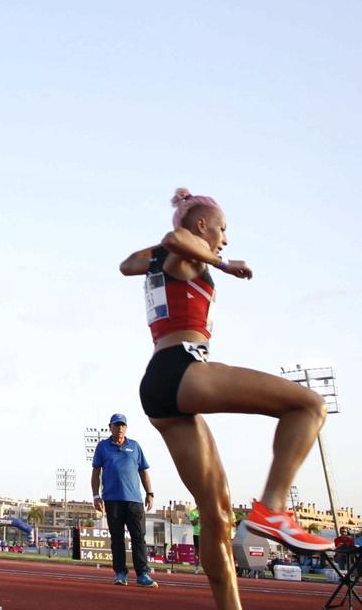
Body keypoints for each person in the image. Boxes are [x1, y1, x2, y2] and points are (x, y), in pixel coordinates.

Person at [120, 188, 331, 610]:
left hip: (159, 386)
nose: (225, 239)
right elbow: (176, 238)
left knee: (216, 514)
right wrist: (222, 264)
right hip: (184, 367)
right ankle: (273, 509)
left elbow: (127, 265)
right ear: (201, 225)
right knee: (309, 405)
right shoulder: (192, 247)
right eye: (222, 228)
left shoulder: (165, 257)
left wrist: (176, 248)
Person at [91, 413, 158, 588]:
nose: (119, 428)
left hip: (134, 501)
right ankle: (120, 573)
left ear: (126, 428)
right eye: (116, 425)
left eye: (122, 425)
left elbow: (143, 471)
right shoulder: (102, 447)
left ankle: (143, 574)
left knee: (138, 537)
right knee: (117, 539)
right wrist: (96, 496)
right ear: (110, 427)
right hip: (112, 500)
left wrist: (149, 493)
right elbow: (96, 472)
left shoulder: (135, 446)